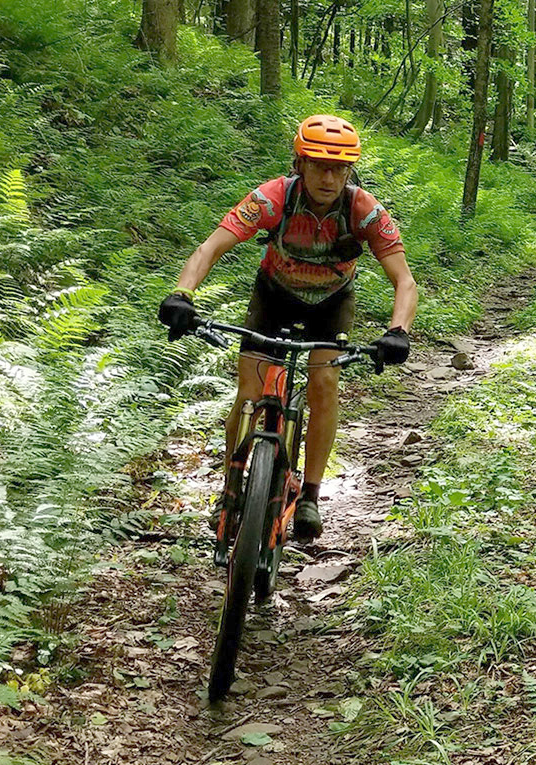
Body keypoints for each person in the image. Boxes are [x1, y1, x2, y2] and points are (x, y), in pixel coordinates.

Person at [157, 114, 418, 543]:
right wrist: (183, 294)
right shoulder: (273, 198)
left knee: (324, 383)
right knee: (249, 392)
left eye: (339, 168)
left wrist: (398, 330)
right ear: (300, 163)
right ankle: (232, 488)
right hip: (273, 294)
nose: (329, 177)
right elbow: (211, 247)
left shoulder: (365, 211)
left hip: (331, 303)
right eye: (318, 164)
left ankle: (311, 495)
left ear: (350, 171)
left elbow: (404, 280)